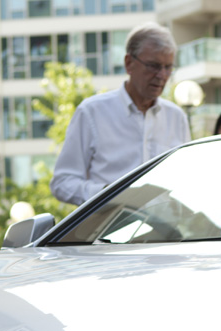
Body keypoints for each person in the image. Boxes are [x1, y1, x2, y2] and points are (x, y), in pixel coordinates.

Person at [50, 23, 189, 206]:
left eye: (168, 67)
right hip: (108, 230)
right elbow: (63, 182)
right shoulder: (92, 112)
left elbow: (186, 182)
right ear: (128, 63)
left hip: (168, 232)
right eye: (153, 66)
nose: (162, 75)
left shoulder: (176, 117)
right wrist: (109, 195)